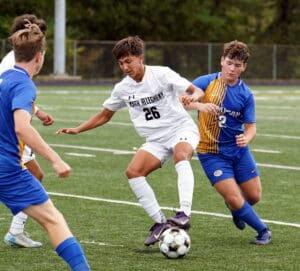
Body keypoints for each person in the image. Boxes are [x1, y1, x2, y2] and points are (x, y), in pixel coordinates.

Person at [56, 35, 217, 246]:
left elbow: (195, 90)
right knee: (133, 172)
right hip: (155, 139)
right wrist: (78, 129)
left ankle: (184, 213)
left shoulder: (161, 74)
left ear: (140, 58)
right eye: (121, 63)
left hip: (180, 129)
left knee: (181, 155)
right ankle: (160, 222)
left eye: (128, 61)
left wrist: (194, 98)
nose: (124, 67)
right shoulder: (123, 88)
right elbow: (105, 115)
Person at [0, 21, 90, 270]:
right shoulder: (24, 84)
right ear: (39, 57)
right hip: (6, 169)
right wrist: (55, 158)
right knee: (54, 220)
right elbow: (21, 126)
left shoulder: (3, 77)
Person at [187, 40, 271, 245]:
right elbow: (184, 101)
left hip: (239, 151)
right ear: (222, 61)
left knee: (253, 197)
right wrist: (201, 104)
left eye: (238, 65)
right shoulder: (205, 82)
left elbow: (251, 127)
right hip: (211, 153)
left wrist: (246, 137)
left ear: (244, 67)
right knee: (235, 198)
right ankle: (263, 231)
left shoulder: (246, 94)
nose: (233, 69)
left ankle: (236, 209)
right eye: (230, 63)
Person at [0, 14, 54, 248]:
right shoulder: (14, 63)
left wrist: (38, 112)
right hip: (9, 135)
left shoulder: (14, 59)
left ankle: (16, 230)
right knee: (31, 176)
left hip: (11, 130)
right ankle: (15, 231)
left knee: (35, 176)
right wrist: (56, 159)